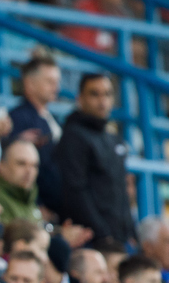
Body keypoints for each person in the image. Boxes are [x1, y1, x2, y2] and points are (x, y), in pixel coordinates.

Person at [57, 74, 133, 246]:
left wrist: (129, 229)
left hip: (118, 237)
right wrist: (102, 234)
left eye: (107, 94)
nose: (102, 101)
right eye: (94, 94)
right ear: (80, 98)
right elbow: (76, 190)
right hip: (92, 240)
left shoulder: (113, 137)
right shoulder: (73, 136)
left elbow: (121, 189)